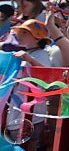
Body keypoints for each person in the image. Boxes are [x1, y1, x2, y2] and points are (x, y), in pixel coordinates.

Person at [5, 19, 51, 150]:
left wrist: (29, 59)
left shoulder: (40, 54)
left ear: (37, 37)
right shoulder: (26, 54)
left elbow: (46, 75)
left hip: (31, 114)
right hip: (19, 111)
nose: (19, 35)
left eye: (24, 32)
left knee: (29, 144)